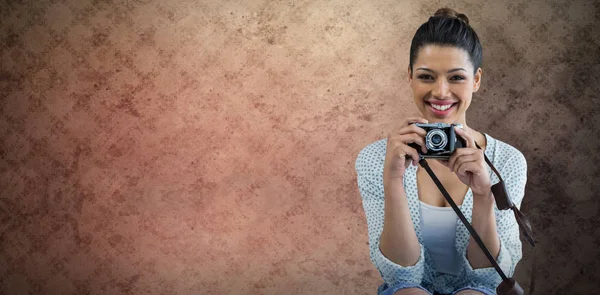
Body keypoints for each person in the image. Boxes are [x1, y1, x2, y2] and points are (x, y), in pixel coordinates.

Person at [355, 7, 528, 295]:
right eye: (426, 77)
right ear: (410, 77)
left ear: (476, 80)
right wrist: (393, 181)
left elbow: (489, 281)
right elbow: (400, 275)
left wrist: (483, 195)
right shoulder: (376, 159)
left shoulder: (507, 160)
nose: (441, 92)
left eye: (457, 78)